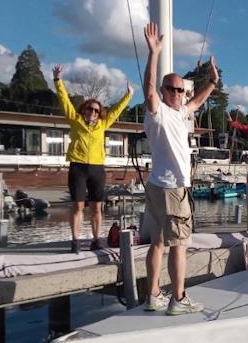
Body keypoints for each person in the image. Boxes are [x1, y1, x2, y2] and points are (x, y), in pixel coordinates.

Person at [142, 22, 219, 315]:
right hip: (172, 187)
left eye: (180, 89)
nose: (177, 93)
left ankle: (153, 296)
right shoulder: (158, 112)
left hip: (158, 186)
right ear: (164, 91)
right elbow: (148, 90)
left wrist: (212, 80)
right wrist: (154, 53)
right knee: (179, 245)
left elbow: (197, 100)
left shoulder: (179, 113)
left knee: (159, 242)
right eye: (171, 89)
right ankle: (179, 298)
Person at [53, 64, 133, 254]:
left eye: (96, 110)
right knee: (78, 205)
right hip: (78, 167)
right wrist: (58, 80)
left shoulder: (103, 124)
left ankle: (96, 240)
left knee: (97, 206)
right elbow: (64, 100)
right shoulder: (75, 120)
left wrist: (128, 95)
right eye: (90, 109)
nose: (93, 112)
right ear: (84, 110)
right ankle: (75, 240)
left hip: (97, 168)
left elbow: (117, 110)